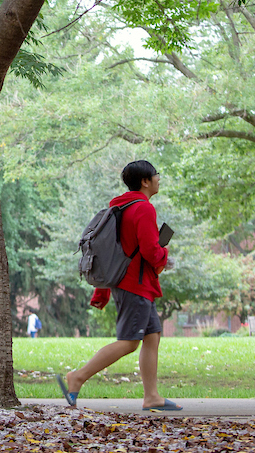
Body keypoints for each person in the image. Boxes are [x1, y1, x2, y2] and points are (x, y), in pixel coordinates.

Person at [56, 160, 182, 411]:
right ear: (145, 181)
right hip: (135, 284)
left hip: (131, 282)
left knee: (152, 337)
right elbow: (149, 250)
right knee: (129, 341)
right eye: (156, 175)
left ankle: (152, 396)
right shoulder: (144, 209)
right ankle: (77, 377)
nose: (158, 179)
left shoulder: (121, 206)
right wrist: (165, 256)